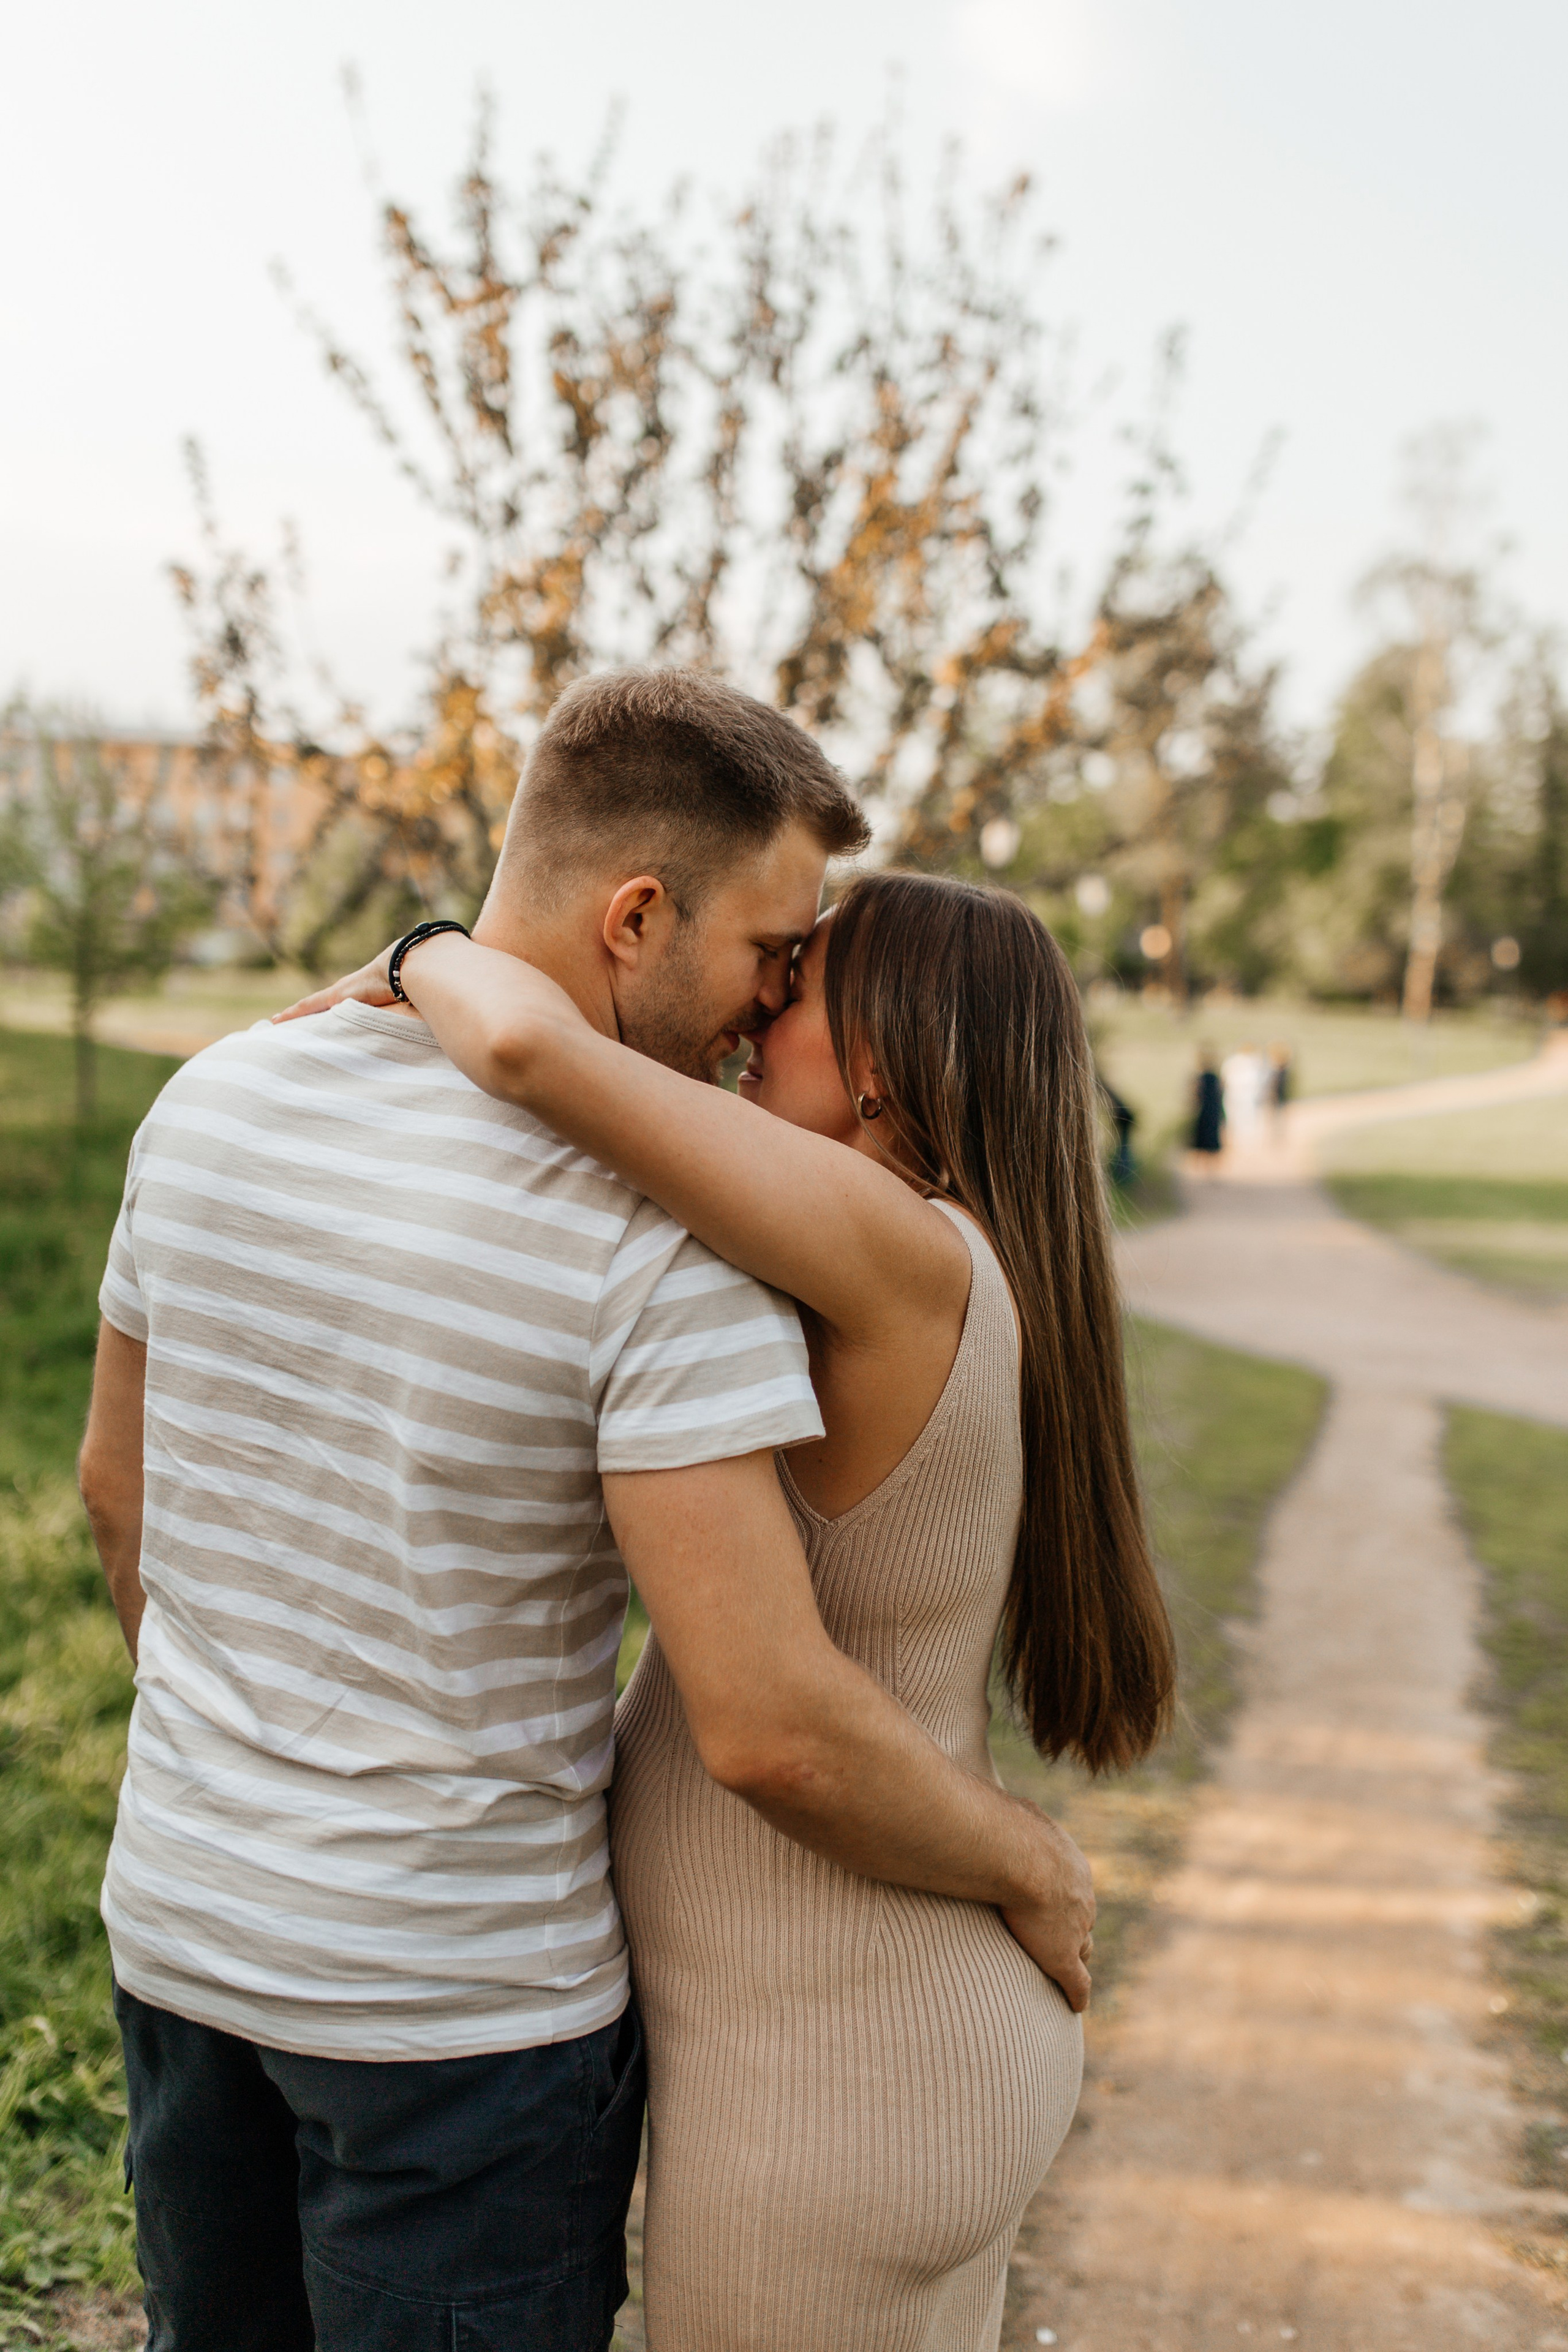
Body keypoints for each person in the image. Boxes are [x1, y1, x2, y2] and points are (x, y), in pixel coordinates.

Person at [77, 669, 1101, 2352]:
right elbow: (769, 1714)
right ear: (638, 916)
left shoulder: (211, 1100)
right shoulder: (660, 1248)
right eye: (775, 951)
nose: (770, 1005)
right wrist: (1034, 1866)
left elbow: (119, 1495)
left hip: (184, 1931)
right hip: (458, 2023)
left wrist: (251, 1769)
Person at [284, 842, 1178, 2350]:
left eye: (799, 978)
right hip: (885, 2041)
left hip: (842, 2075)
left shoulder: (896, 1249)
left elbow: (522, 1049)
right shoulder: (937, 1255)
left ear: (885, 1058)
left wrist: (423, 951)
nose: (757, 1007)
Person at [1219, 1040, 1269, 1142]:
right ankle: (1244, 1140)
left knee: (1239, 1118)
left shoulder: (1236, 1061)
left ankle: (1241, 1140)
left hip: (1241, 1095)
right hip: (1243, 1095)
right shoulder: (1253, 1062)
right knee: (1245, 1118)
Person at [1190, 1047, 1225, 1172]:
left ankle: (1199, 1168)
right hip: (1212, 1111)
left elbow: (1195, 1095)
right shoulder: (1215, 1078)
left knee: (1202, 1139)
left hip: (1205, 1111)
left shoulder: (1201, 1078)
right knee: (1211, 1139)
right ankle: (1210, 1169)